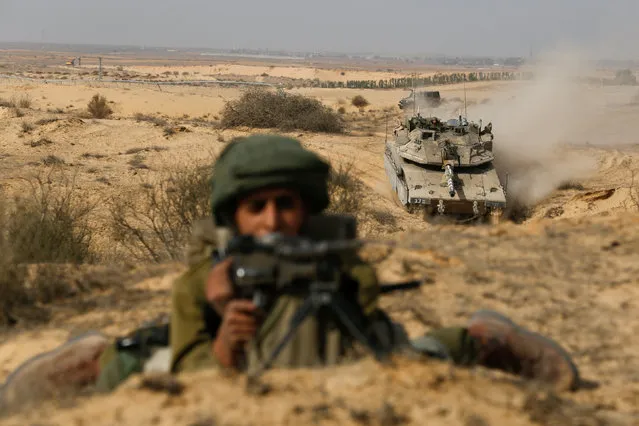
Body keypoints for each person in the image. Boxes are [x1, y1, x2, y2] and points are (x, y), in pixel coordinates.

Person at [0, 135, 580, 410]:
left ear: (307, 208)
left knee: (469, 344)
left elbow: (378, 348)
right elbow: (194, 367)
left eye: (288, 204)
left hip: (347, 363)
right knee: (110, 361)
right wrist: (225, 327)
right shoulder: (204, 276)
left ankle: (489, 329)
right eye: (258, 208)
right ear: (235, 215)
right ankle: (92, 350)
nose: (275, 219)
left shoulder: (336, 259)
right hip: (215, 363)